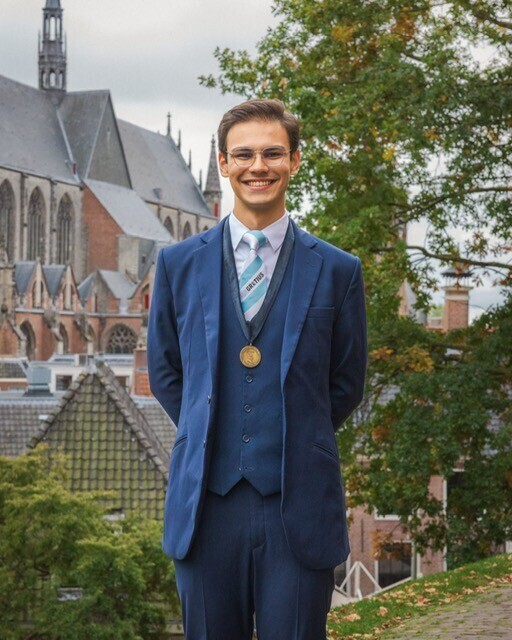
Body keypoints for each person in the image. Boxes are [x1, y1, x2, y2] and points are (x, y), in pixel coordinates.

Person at [147, 99, 367, 640]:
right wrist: (208, 428)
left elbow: (345, 383)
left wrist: (298, 435)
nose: (258, 166)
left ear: (295, 160)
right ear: (223, 164)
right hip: (205, 509)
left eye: (272, 153)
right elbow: (166, 373)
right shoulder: (177, 265)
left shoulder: (339, 270)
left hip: (299, 508)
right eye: (243, 154)